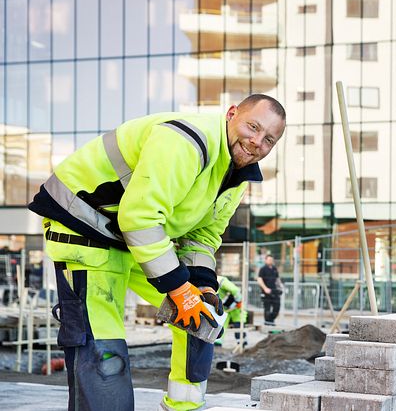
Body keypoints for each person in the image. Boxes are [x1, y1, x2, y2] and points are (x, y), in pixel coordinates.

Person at [28, 94, 286, 411]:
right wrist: (179, 289)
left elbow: (204, 233)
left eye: (269, 139)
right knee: (104, 349)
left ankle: (183, 406)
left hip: (128, 235)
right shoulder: (187, 142)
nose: (257, 141)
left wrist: (201, 287)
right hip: (83, 221)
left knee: (201, 321)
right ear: (232, 113)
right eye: (253, 126)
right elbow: (139, 217)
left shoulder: (235, 174)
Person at [214, 275, 247, 347]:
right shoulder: (214, 280)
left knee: (238, 324)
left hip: (235, 306)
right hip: (225, 307)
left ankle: (242, 343)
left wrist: (238, 301)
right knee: (221, 324)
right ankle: (218, 342)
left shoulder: (221, 281)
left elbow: (235, 290)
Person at [257, 254, 283, 326]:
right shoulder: (263, 269)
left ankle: (271, 320)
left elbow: (277, 279)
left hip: (274, 291)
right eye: (269, 259)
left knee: (276, 308)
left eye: (271, 260)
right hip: (266, 292)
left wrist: (280, 286)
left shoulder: (274, 269)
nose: (270, 261)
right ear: (266, 260)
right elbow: (259, 280)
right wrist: (265, 288)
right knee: (267, 309)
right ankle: (268, 322)